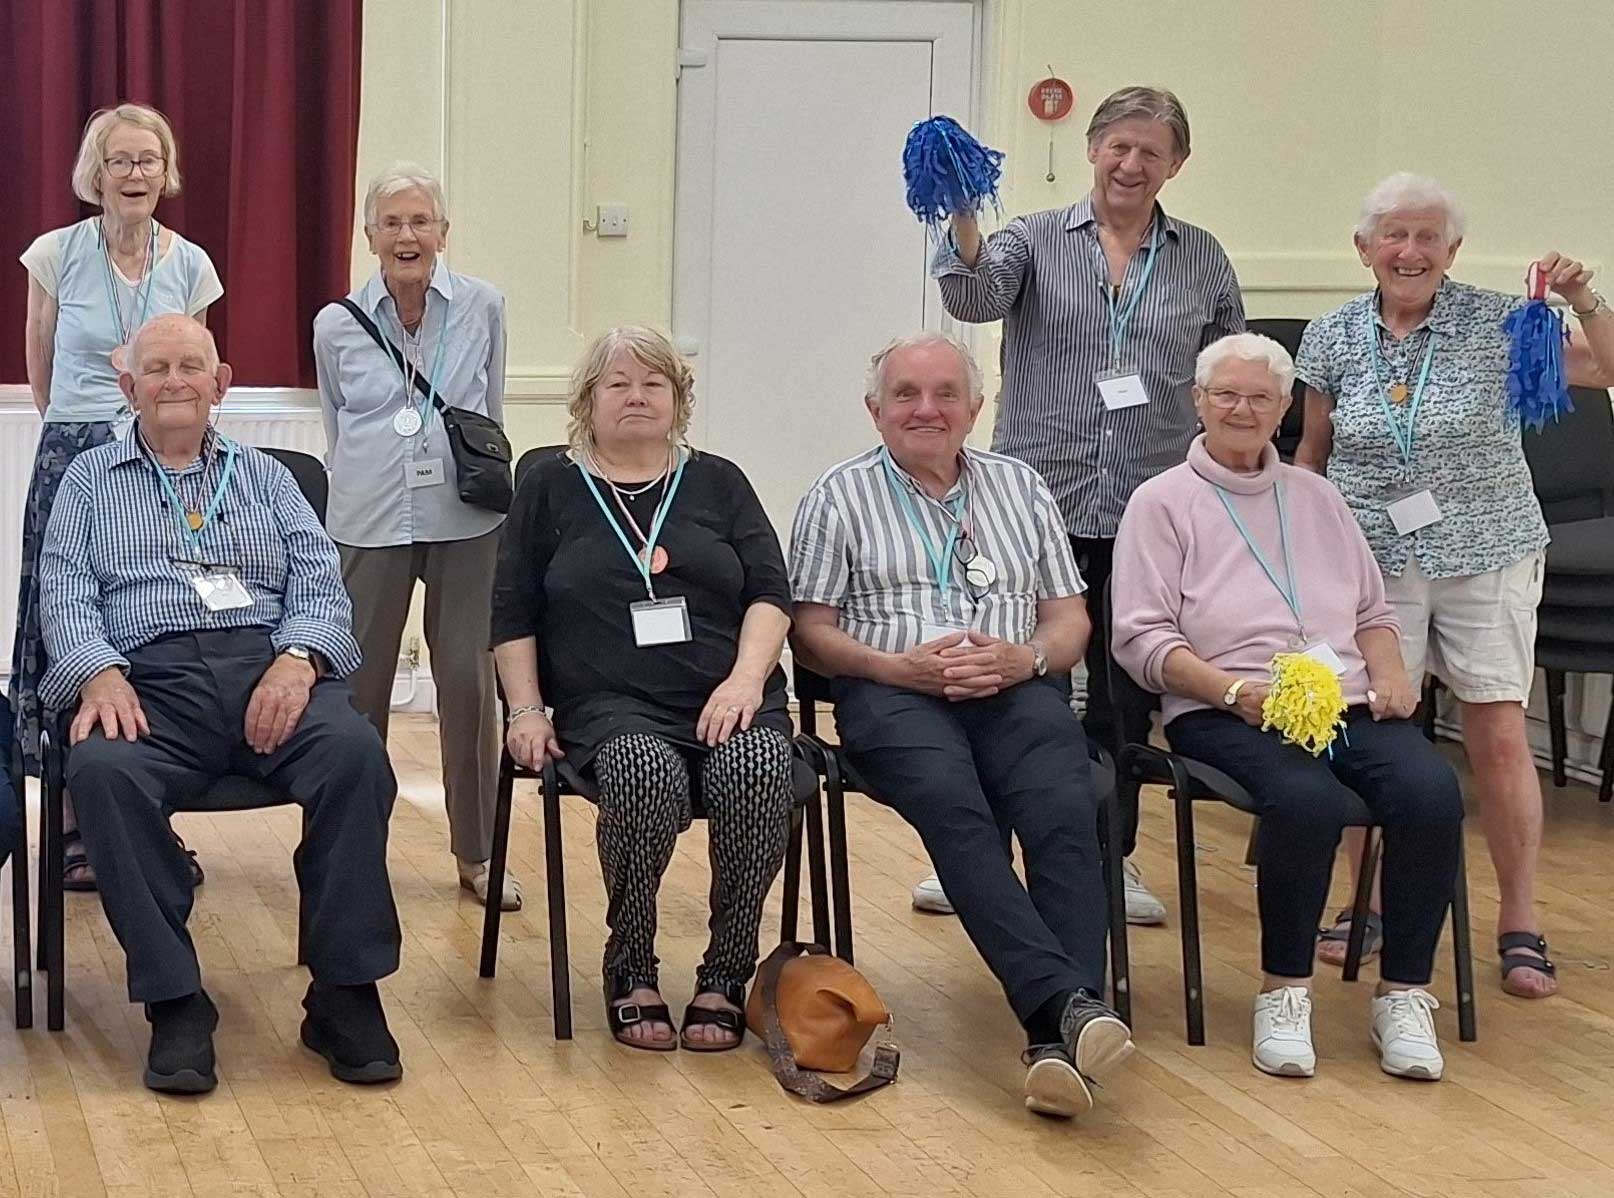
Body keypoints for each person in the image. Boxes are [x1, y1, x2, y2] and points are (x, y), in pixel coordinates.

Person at [36, 315, 403, 1094]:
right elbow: (61, 590)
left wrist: (299, 659)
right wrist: (98, 673)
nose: (176, 381)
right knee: (100, 770)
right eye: (158, 369)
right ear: (130, 388)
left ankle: (343, 994)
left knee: (355, 755)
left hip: (270, 669)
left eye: (191, 367)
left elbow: (319, 582)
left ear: (220, 383)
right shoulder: (89, 480)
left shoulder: (268, 477)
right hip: (149, 679)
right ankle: (176, 1002)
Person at [926, 85, 1246, 924]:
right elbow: (972, 299)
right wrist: (962, 213)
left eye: (1151, 152)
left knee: (1122, 693)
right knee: (1012, 685)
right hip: (1036, 503)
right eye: (1118, 146)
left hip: (1150, 511)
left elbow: (1228, 375)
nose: (1131, 164)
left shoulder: (1203, 258)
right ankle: (983, 852)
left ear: (1176, 164)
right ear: (1093, 149)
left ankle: (1113, 858)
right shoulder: (1033, 237)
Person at [790, 332, 1131, 1119]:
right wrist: (893, 667)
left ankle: (1058, 1037)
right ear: (875, 411)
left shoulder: (1022, 487)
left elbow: (1071, 618)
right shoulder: (837, 496)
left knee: (1066, 811)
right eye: (906, 394)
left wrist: (1028, 659)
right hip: (894, 693)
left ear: (976, 409)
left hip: (1015, 688)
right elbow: (811, 629)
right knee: (959, 814)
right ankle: (1064, 1010)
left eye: (945, 394)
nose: (926, 409)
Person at [1294, 174, 1614, 998]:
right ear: (1363, 249)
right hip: (1370, 562)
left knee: (1500, 735)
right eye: (1393, 237)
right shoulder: (1330, 336)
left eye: (1428, 237)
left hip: (1488, 552)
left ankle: (1519, 919)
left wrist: (1583, 296)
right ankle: (1360, 903)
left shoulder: (1505, 324)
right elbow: (1314, 452)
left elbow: (1607, 368)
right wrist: (1296, 543)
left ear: (1453, 250)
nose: (1410, 252)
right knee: (1367, 735)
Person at [1113, 333, 1463, 1080]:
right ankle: (1285, 989)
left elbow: (1372, 610)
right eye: (1226, 395)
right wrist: (1233, 692)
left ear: (1284, 411)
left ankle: (1403, 993)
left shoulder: (1317, 495)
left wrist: (1393, 672)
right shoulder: (1162, 502)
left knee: (1431, 793)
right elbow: (1141, 639)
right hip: (1223, 708)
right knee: (1306, 801)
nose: (1242, 409)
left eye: (1261, 398)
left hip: (1342, 702)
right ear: (1197, 402)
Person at [490, 326, 794, 1052]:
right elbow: (512, 611)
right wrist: (526, 708)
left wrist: (748, 677)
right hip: (608, 704)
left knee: (756, 767)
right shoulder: (551, 487)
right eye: (617, 384)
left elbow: (770, 592)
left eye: (653, 384)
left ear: (678, 399)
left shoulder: (719, 481)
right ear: (586, 401)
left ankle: (726, 972)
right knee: (641, 770)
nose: (635, 397)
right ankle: (630, 963)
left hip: (729, 692)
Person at [13, 103, 222, 891]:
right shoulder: (54, 253)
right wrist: (80, 429)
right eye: (120, 161)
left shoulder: (191, 263)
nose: (135, 175)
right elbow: (39, 360)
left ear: (167, 173)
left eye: (148, 161)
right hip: (73, 450)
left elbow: (192, 365)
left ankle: (145, 814)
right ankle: (71, 820)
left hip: (166, 452)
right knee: (66, 621)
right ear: (93, 175)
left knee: (152, 614)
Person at [313, 163, 514, 910]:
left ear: (442, 233)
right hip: (368, 515)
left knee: (466, 681)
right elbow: (339, 424)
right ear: (370, 237)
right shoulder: (336, 323)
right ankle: (353, 854)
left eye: (419, 221)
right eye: (391, 223)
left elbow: (484, 410)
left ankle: (478, 853)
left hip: (464, 517)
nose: (407, 235)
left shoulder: (483, 306)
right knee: (359, 690)